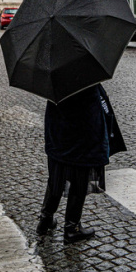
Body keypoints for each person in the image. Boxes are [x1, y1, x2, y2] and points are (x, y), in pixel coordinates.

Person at [37, 83, 126, 243]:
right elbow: (96, 113)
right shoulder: (87, 79)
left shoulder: (54, 75)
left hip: (58, 129)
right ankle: (72, 228)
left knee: (57, 175)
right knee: (80, 178)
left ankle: (45, 218)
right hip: (82, 133)